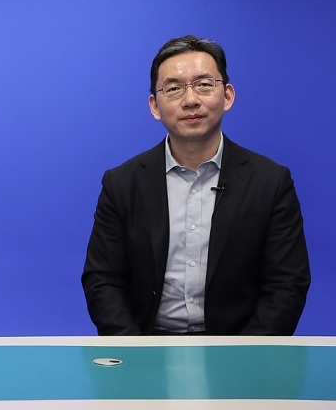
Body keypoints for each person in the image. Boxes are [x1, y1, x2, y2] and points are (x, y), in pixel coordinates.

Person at [82, 35, 310, 335]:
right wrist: (136, 351)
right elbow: (103, 280)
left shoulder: (270, 182)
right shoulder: (122, 183)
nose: (190, 100)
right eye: (174, 88)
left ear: (227, 96)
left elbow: (287, 284)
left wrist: (246, 354)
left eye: (203, 84)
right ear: (155, 106)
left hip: (237, 347)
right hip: (146, 345)